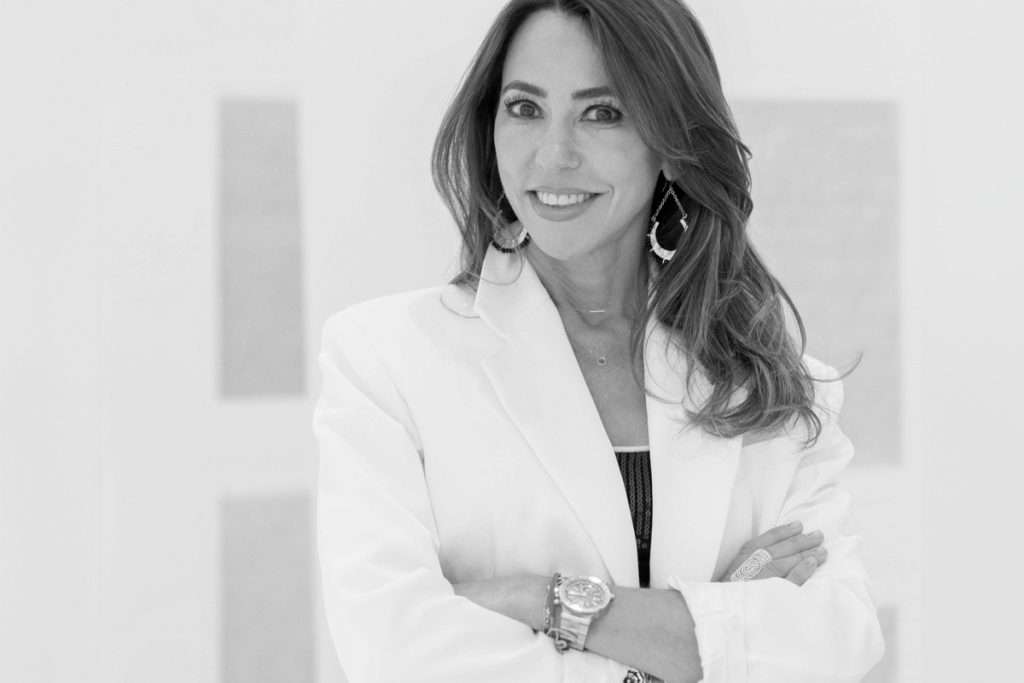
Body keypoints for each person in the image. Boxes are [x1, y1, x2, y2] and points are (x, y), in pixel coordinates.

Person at [313, 0, 885, 681]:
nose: (554, 154)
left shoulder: (780, 391)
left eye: (602, 113)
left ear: (671, 142)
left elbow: (834, 644)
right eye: (525, 108)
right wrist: (712, 635)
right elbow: (399, 651)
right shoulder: (384, 362)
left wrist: (544, 600)